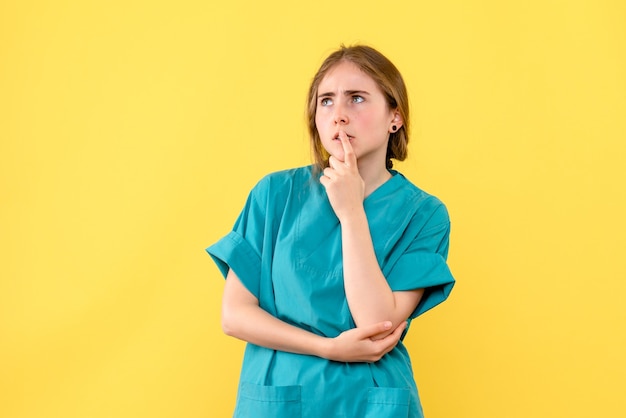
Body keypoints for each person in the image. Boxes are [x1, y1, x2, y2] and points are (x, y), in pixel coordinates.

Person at [206, 44, 455, 418]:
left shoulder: (424, 214)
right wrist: (326, 348)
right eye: (326, 101)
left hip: (371, 402)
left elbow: (376, 324)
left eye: (356, 98)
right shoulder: (275, 195)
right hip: (278, 401)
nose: (338, 115)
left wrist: (352, 212)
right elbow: (235, 315)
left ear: (395, 117)